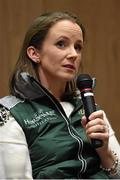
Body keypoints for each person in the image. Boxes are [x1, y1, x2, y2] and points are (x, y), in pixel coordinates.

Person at [0, 11, 120, 179]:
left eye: (78, 47)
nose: (73, 54)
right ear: (34, 54)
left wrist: (104, 150)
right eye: (61, 44)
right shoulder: (11, 114)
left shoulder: (88, 106)